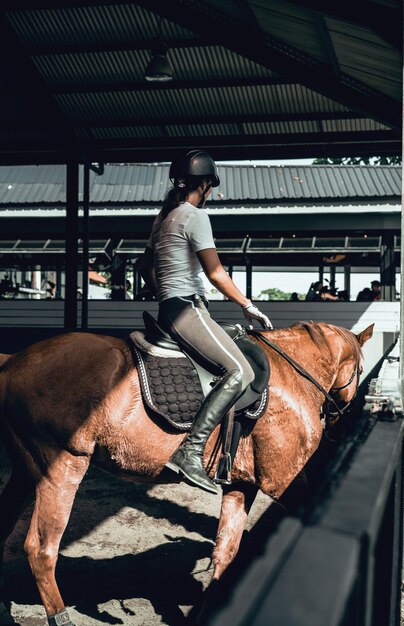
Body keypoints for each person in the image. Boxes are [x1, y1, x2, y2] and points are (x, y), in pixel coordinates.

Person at [140, 149, 272, 494]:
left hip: (170, 309)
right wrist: (247, 304)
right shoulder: (195, 217)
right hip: (188, 308)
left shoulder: (163, 217)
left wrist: (163, 293)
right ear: (205, 185)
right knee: (240, 371)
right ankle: (192, 452)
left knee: (235, 337)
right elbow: (215, 273)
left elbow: (145, 267)